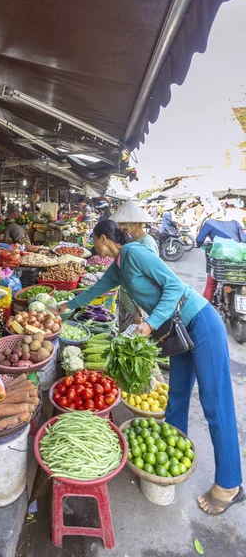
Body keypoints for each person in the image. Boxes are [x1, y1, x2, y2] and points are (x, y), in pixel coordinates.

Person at [57, 219, 244, 515]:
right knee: (178, 395)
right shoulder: (118, 266)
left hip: (200, 323)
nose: (93, 246)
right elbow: (97, 290)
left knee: (215, 403)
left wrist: (150, 324)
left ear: (105, 239)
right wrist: (66, 306)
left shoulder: (134, 253)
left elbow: (174, 286)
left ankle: (230, 483)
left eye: (94, 240)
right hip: (177, 332)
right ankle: (171, 452)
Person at [110, 200, 158, 329]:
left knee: (131, 341)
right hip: (127, 302)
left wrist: (139, 310)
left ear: (135, 223)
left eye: (123, 223)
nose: (120, 226)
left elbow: (150, 280)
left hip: (137, 307)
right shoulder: (134, 241)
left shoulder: (147, 243)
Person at [197, 218, 246, 302]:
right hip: (238, 263)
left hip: (221, 263)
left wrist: (199, 245)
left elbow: (199, 240)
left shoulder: (209, 223)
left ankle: (205, 308)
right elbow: (244, 240)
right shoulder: (235, 222)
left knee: (211, 285)